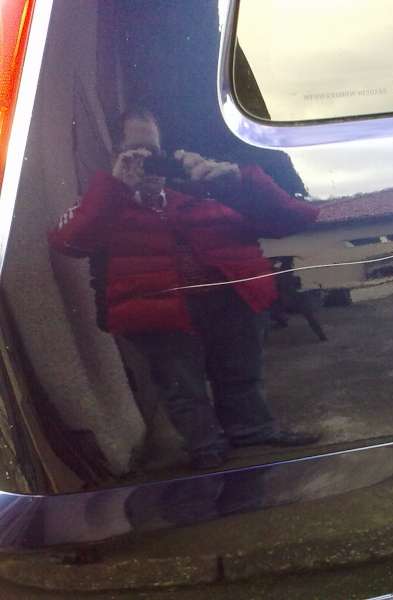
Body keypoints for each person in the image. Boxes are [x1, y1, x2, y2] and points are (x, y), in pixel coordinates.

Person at [49, 108, 320, 469]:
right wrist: (116, 188)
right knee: (181, 387)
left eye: (153, 152)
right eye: (134, 151)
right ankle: (206, 448)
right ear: (114, 156)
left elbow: (293, 219)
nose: (146, 162)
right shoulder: (101, 203)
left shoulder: (204, 191)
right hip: (157, 313)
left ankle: (251, 430)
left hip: (232, 300)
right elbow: (69, 243)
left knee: (241, 373)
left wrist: (239, 179)